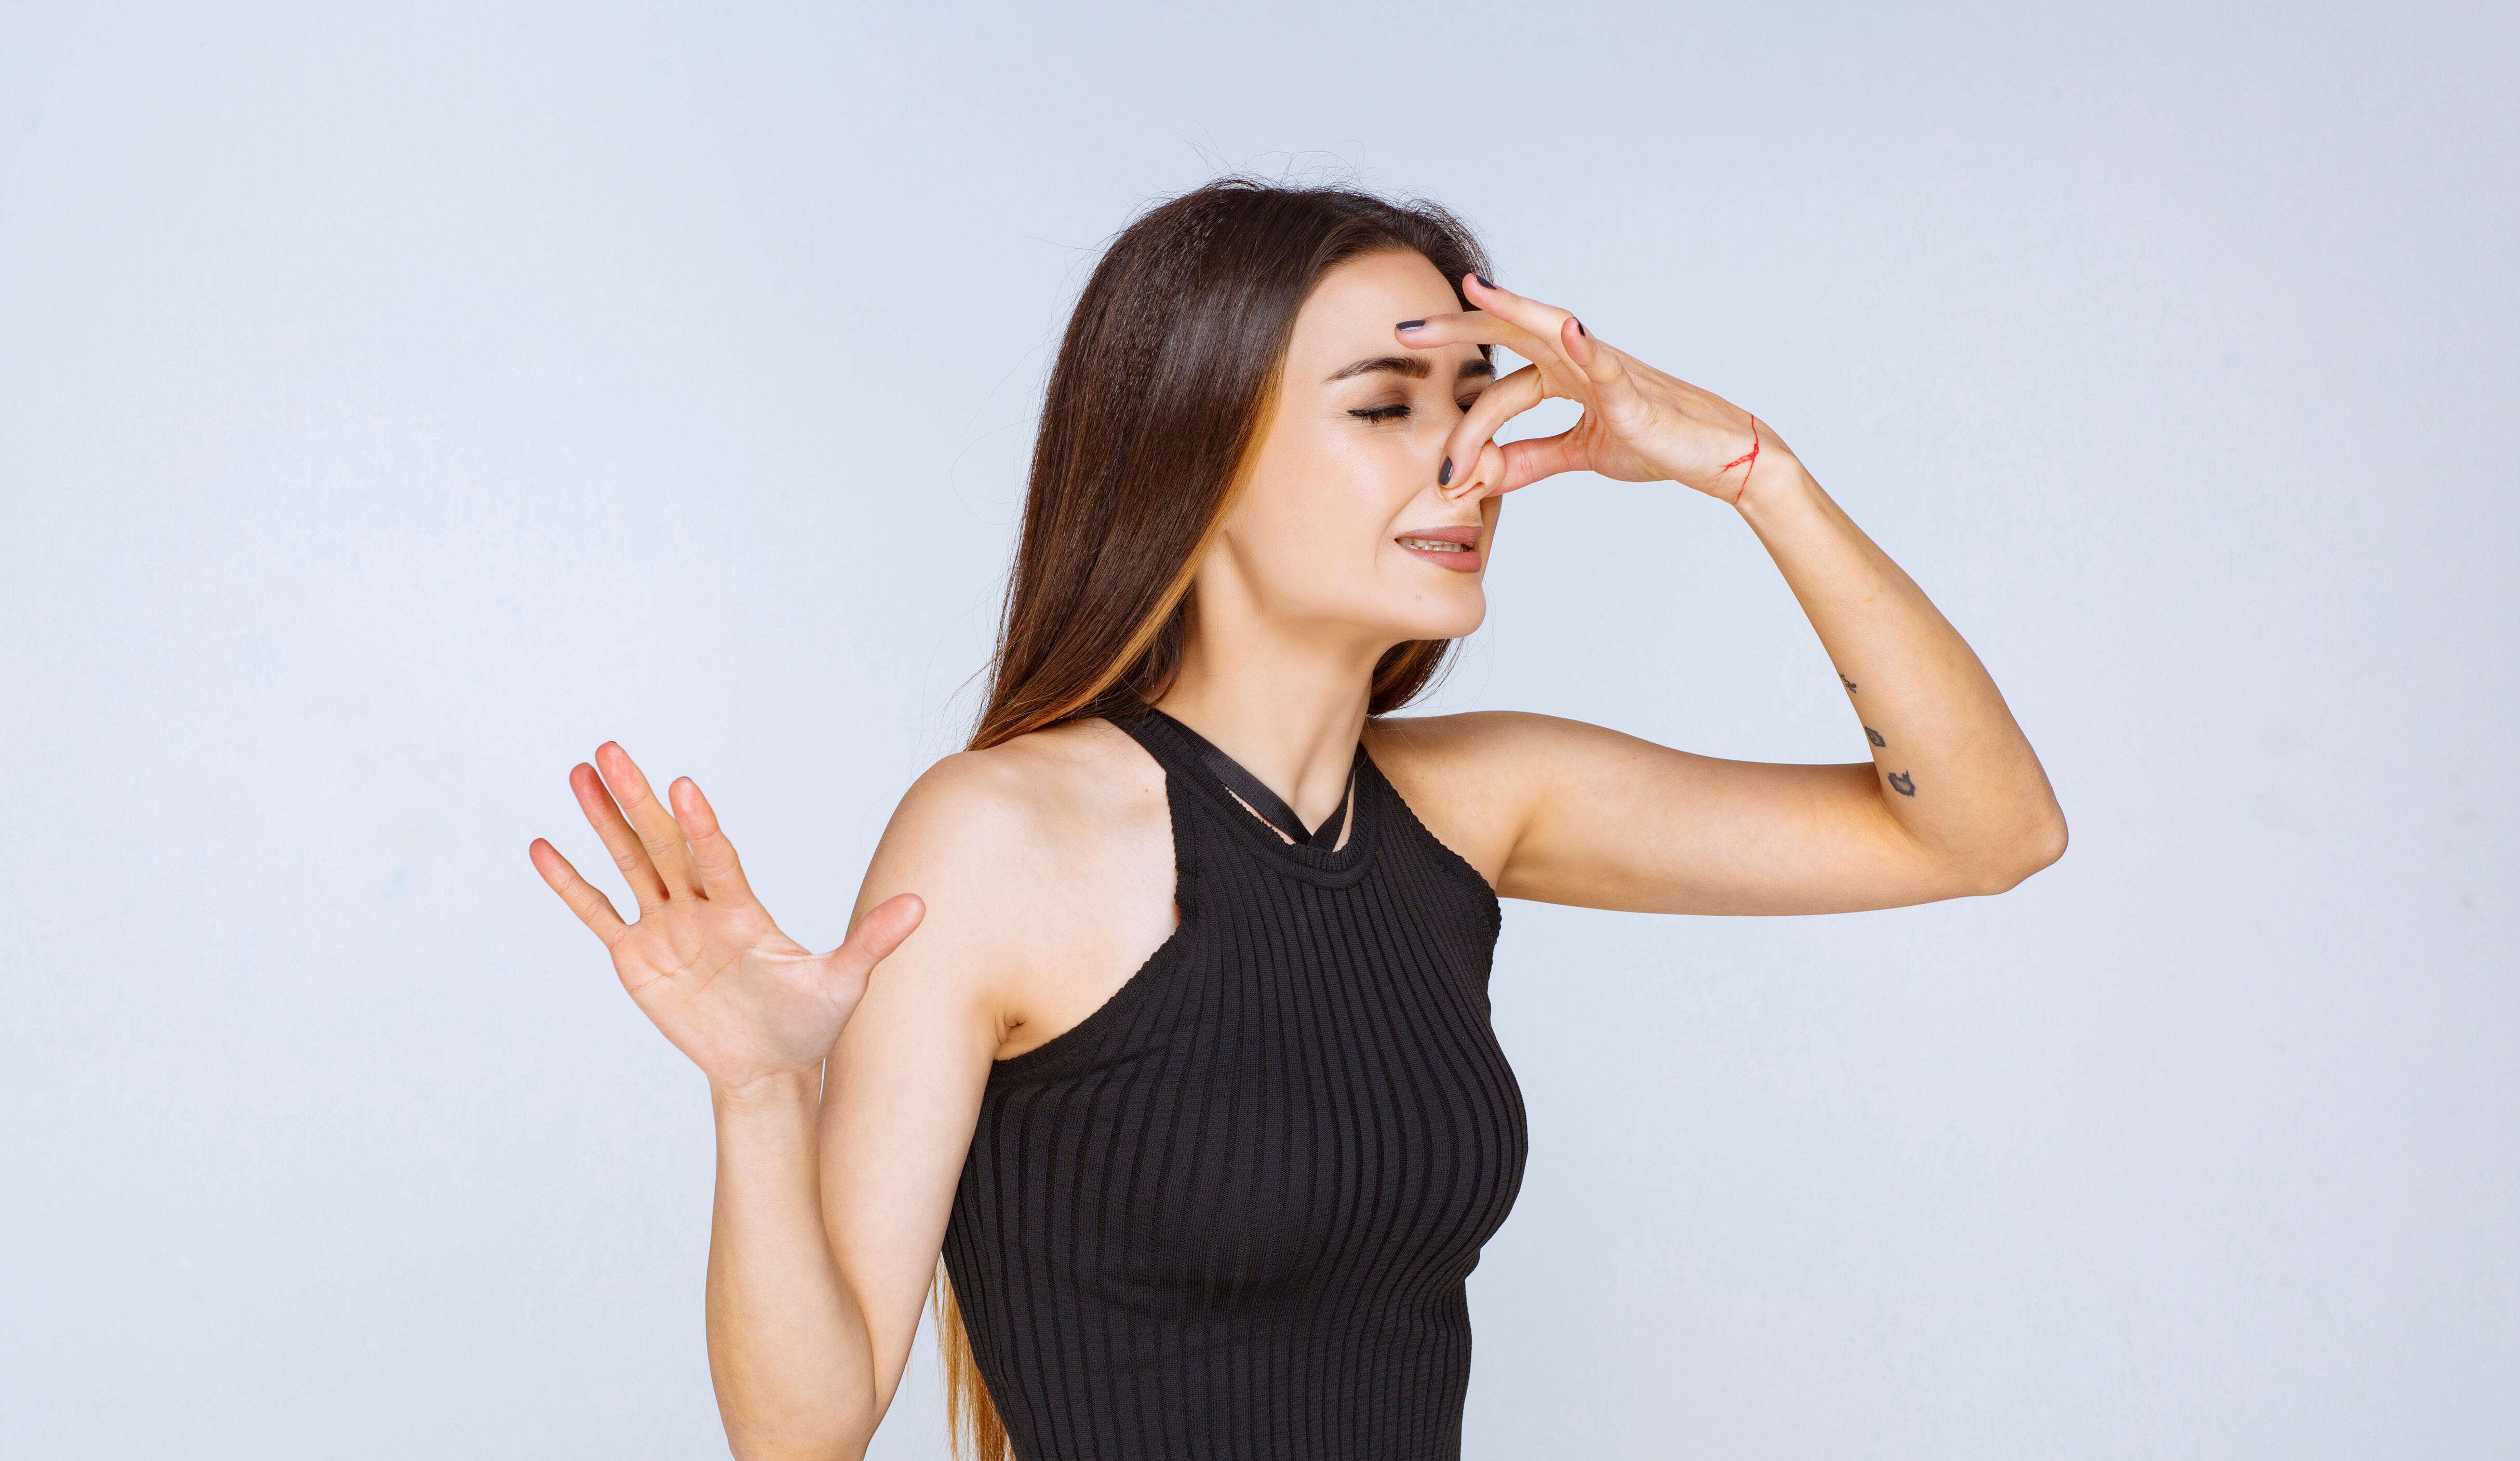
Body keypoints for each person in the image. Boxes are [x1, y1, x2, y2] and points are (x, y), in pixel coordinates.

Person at [528, 178, 2065, 1461]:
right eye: (1385, 405)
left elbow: (1986, 833)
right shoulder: (1001, 837)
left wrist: (1754, 473)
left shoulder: (1477, 802)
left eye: (1476, 397)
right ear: (1198, 458)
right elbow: (805, 1433)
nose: (1468, 455)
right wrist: (759, 1094)